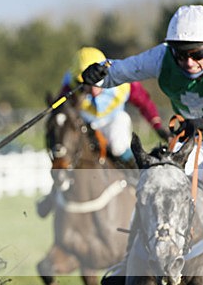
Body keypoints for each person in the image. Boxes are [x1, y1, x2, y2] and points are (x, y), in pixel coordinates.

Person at [79, 5, 203, 285]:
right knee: (155, 185)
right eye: (182, 55)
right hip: (193, 143)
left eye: (199, 54)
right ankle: (127, 262)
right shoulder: (160, 58)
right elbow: (121, 70)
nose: (190, 62)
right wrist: (99, 74)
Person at [36, 46, 168, 217]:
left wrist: (157, 125)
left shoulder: (124, 81)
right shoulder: (71, 82)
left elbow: (144, 102)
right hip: (87, 123)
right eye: (86, 84)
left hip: (114, 119)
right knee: (69, 149)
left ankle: (139, 179)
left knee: (119, 143)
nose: (92, 90)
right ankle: (54, 194)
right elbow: (62, 108)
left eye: (95, 82)